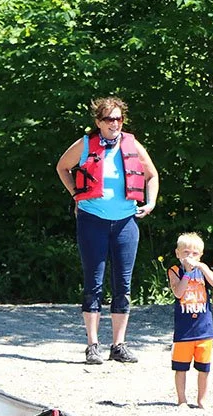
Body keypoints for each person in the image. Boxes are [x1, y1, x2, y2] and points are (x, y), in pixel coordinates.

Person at [56, 97, 159, 365]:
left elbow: (152, 175)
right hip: (93, 220)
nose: (115, 123)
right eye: (109, 119)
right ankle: (92, 345)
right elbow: (62, 167)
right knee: (94, 282)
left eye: (118, 118)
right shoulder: (86, 144)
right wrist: (77, 196)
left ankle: (119, 344)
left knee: (123, 285)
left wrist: (151, 203)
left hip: (126, 222)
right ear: (98, 122)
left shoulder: (132, 144)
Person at [167, 233, 213, 408]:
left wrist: (202, 267)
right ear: (177, 253)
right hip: (184, 329)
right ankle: (182, 400)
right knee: (181, 367)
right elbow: (178, 292)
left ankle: (202, 400)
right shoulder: (175, 270)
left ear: (201, 255)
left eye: (194, 253)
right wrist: (188, 274)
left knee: (204, 368)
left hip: (204, 328)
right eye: (186, 252)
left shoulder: (202, 270)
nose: (190, 256)